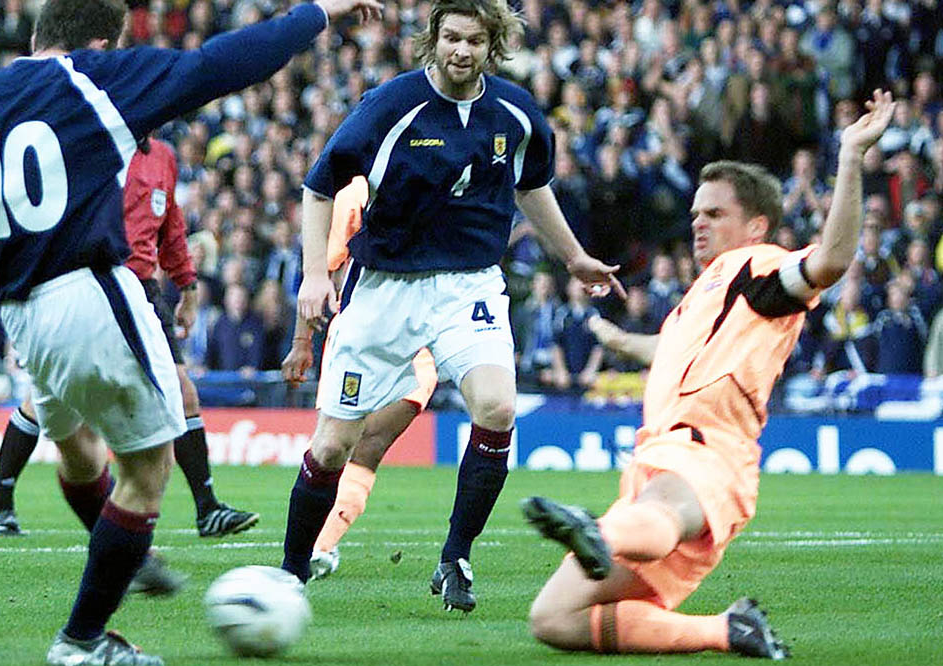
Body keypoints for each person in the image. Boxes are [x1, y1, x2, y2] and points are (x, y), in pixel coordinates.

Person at [0, 0, 383, 663]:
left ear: (33, 37)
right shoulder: (95, 78)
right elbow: (219, 64)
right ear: (102, 42)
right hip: (91, 290)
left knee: (80, 452)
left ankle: (121, 555)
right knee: (146, 469)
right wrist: (315, 11)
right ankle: (83, 637)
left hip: (23, 313)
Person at [521, 90, 895, 659]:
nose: (698, 223)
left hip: (706, 452)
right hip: (658, 464)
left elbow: (831, 262)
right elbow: (676, 350)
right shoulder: (704, 296)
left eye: (715, 214)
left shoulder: (756, 265)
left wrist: (848, 157)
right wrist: (623, 341)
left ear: (756, 226)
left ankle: (600, 530)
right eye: (695, 213)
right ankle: (728, 630)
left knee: (662, 516)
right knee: (553, 618)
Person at [281, 0, 621, 615]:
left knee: (497, 408)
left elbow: (532, 185)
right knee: (332, 447)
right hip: (385, 285)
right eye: (452, 38)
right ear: (433, 40)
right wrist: (311, 274)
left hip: (470, 285)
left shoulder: (517, 113)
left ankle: (455, 557)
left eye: (474, 40)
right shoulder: (391, 105)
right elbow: (318, 185)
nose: (461, 51)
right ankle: (290, 572)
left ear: (493, 45)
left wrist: (573, 257)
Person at [0, 137, 259, 543]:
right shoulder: (95, 144)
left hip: (144, 289)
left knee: (184, 394)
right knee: (44, 400)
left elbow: (172, 224)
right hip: (94, 285)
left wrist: (187, 286)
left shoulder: (163, 155)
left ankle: (208, 508)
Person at [280, 176, 438, 581]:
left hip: (420, 345)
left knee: (370, 442)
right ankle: (308, 548)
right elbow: (322, 270)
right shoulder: (353, 194)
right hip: (358, 341)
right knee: (332, 446)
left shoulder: (445, 180)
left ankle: (319, 547)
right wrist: (302, 342)